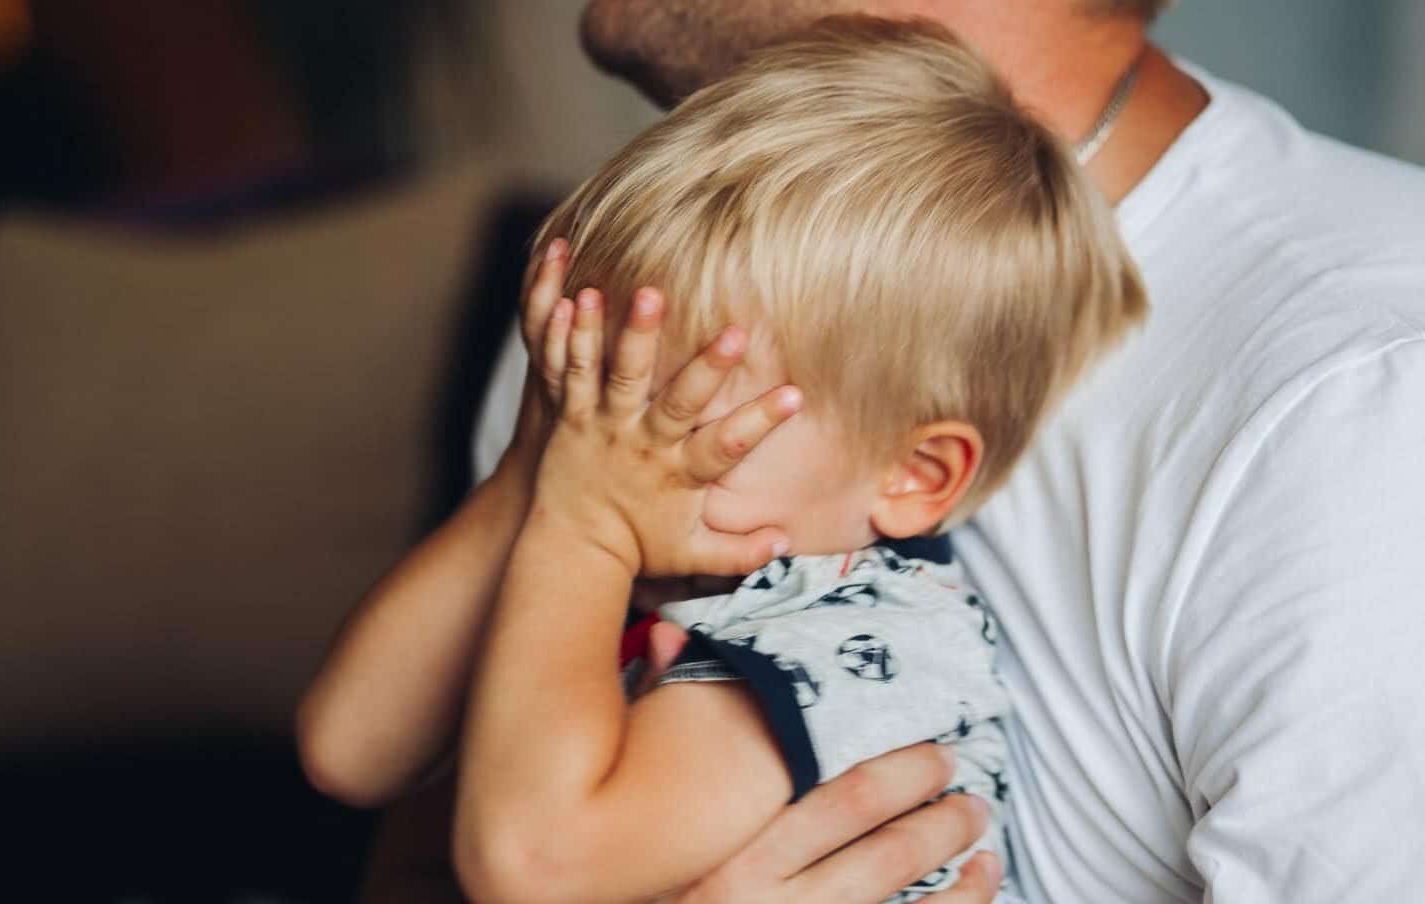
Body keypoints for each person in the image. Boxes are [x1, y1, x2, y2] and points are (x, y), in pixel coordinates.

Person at [464, 1, 1425, 902]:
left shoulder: (1364, 406)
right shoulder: (648, 285)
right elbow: (423, 846)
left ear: (924, 472)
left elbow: (523, 858)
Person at [303, 17, 1145, 902]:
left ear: (914, 476)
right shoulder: (623, 542)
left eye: (684, 415)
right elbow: (349, 751)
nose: (612, 448)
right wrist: (534, 466)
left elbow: (536, 865)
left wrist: (584, 526)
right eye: (598, 389)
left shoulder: (854, 639)